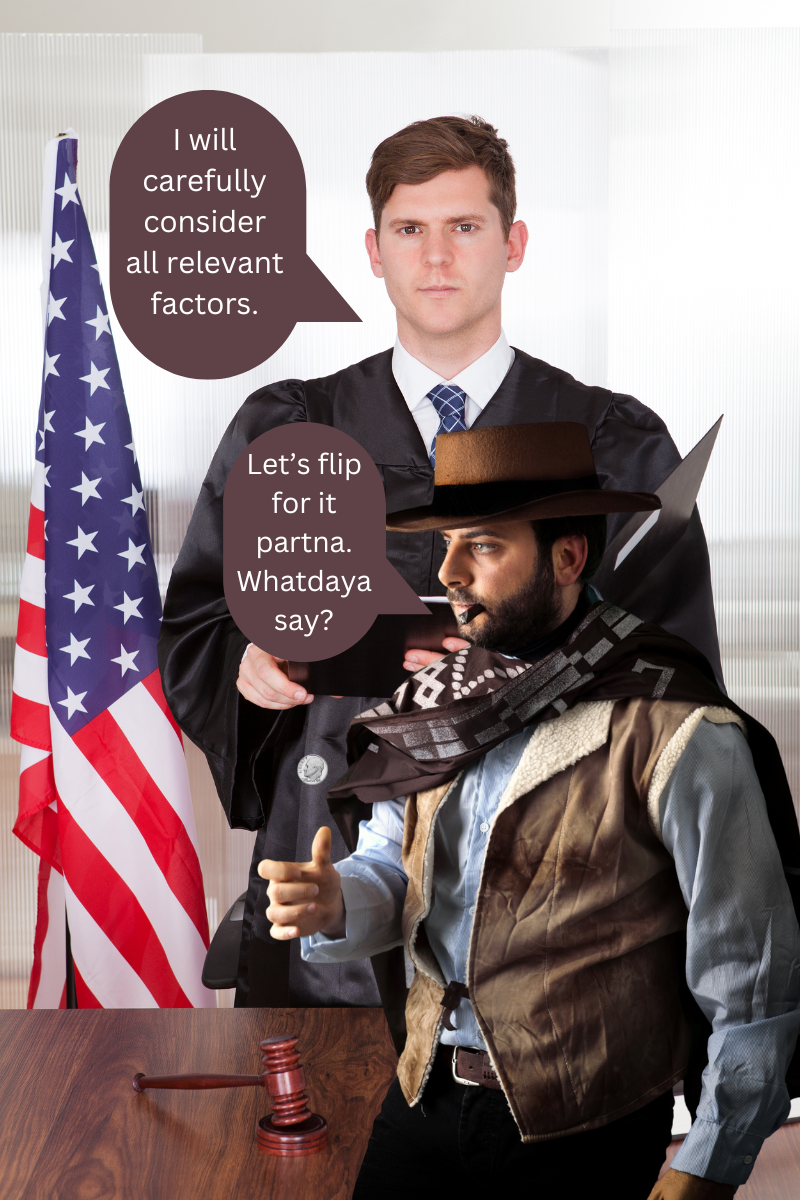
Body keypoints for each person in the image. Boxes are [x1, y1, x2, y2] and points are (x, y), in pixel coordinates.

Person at [159, 115, 723, 1011]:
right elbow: (198, 624)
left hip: (543, 882)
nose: (436, 257)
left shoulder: (607, 442)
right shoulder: (291, 430)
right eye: (409, 230)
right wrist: (249, 667)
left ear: (514, 243)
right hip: (328, 864)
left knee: (529, 1122)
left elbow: (676, 678)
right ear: (374, 251)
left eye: (464, 227)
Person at [260, 424, 800, 1200]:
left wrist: (705, 1166)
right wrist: (338, 897)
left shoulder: (675, 730)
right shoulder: (435, 707)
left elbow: (751, 977)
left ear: (568, 557)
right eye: (446, 544)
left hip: (590, 1131)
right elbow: (397, 871)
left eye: (480, 546)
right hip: (425, 1096)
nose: (447, 572)